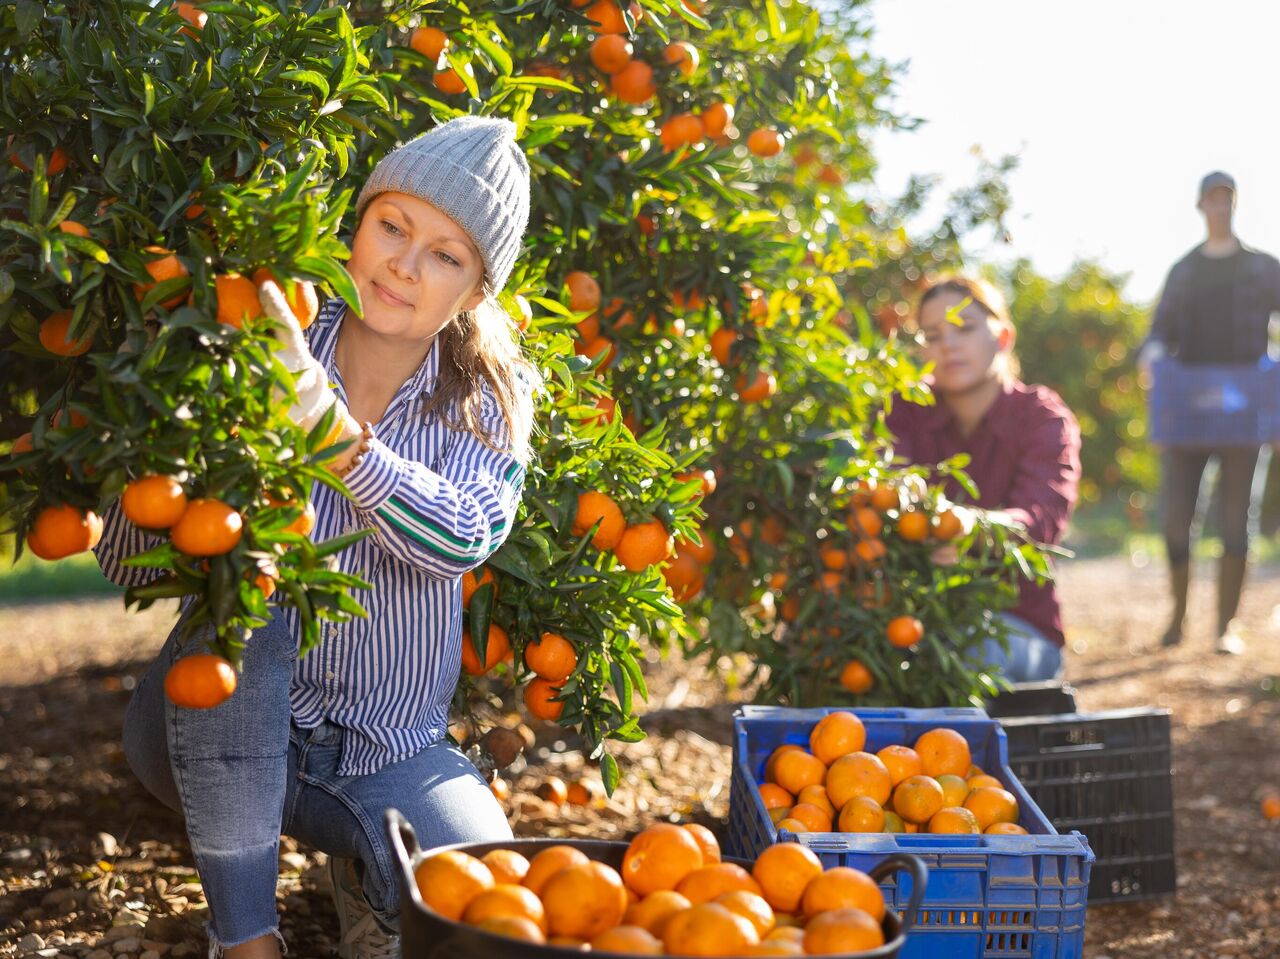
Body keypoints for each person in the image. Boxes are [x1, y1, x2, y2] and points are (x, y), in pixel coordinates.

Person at [93, 116, 539, 959]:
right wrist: (153, 421)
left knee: (483, 883)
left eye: (446, 255)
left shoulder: (493, 395)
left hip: (385, 749)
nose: (404, 265)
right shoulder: (266, 327)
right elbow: (125, 561)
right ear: (357, 222)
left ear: (475, 293)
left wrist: (336, 439)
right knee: (256, 597)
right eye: (392, 226)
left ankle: (370, 874)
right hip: (208, 723)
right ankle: (247, 936)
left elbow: (464, 535)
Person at [886, 276, 1081, 683]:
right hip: (912, 620)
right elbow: (882, 484)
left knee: (963, 655)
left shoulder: (1041, 418)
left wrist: (971, 530)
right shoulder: (905, 409)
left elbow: (1039, 520)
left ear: (1003, 336)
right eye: (934, 334)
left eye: (966, 327)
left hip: (1015, 628)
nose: (949, 345)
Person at [1141, 172, 1280, 655]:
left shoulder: (1263, 268)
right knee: (1176, 521)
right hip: (1190, 411)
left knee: (1236, 519)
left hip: (1245, 412)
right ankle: (1178, 615)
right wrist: (1151, 355)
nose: (1219, 207)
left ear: (1235, 205)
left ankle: (1226, 626)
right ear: (1200, 205)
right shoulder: (1185, 271)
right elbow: (1160, 329)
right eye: (1212, 200)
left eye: (1227, 199)